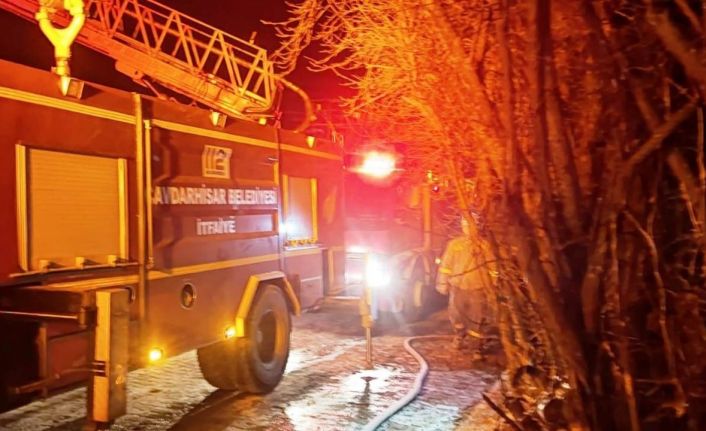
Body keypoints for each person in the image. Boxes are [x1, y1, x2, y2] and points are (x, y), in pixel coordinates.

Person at [435, 215, 496, 357]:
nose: (467, 228)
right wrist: (442, 283)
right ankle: (459, 336)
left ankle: (476, 347)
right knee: (456, 314)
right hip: (457, 286)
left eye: (470, 226)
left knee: (477, 317)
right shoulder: (454, 245)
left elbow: (493, 267)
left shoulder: (484, 245)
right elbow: (446, 266)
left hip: (478, 287)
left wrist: (493, 285)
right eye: (465, 225)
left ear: (476, 227)